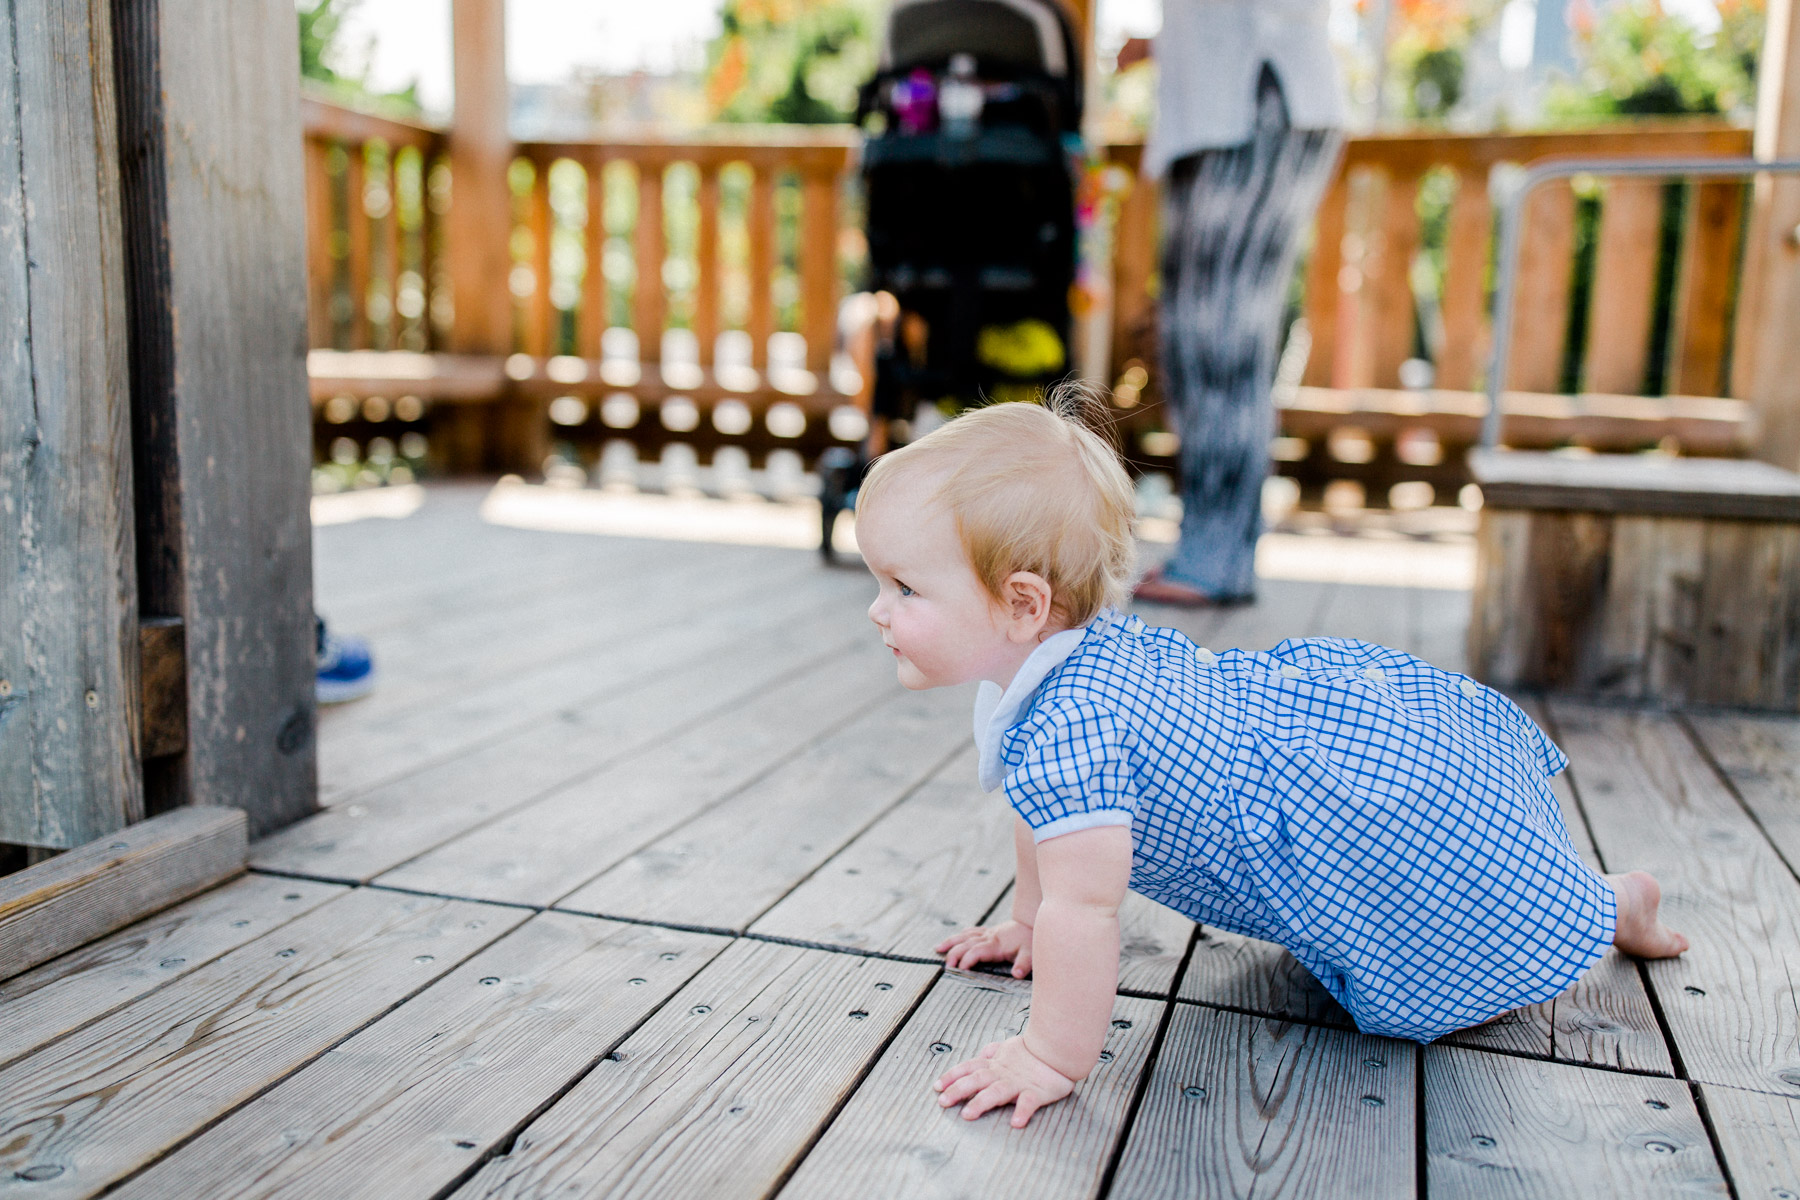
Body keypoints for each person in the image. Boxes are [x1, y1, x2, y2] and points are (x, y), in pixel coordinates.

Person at [853, 398, 1687, 1129]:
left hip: (1390, 833)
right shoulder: (1060, 669)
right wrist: (1026, 926)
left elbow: (1087, 908)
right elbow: (1044, 827)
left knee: (1448, 956)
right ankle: (1602, 899)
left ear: (1022, 603)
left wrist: (1049, 1055)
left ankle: (1610, 904)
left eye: (904, 588)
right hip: (1334, 794)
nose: (877, 609)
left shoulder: (1075, 725)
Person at [1129, 0, 1348, 606]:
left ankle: (1216, 558)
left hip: (1257, 100)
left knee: (1219, 344)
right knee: (1194, 343)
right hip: (1218, 108)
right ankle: (1211, 545)